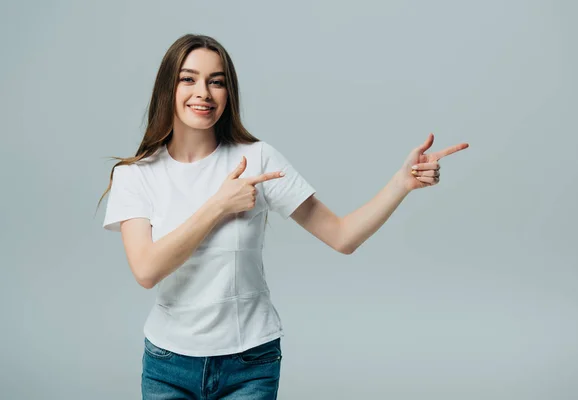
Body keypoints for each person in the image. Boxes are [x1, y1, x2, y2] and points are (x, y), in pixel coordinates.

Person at [97, 33, 468, 399]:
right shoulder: (136, 175)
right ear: (168, 88)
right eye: (188, 79)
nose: (204, 93)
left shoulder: (258, 159)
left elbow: (342, 236)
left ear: (229, 93)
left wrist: (400, 184)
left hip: (249, 364)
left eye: (217, 82)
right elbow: (146, 271)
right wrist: (219, 205)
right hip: (169, 366)